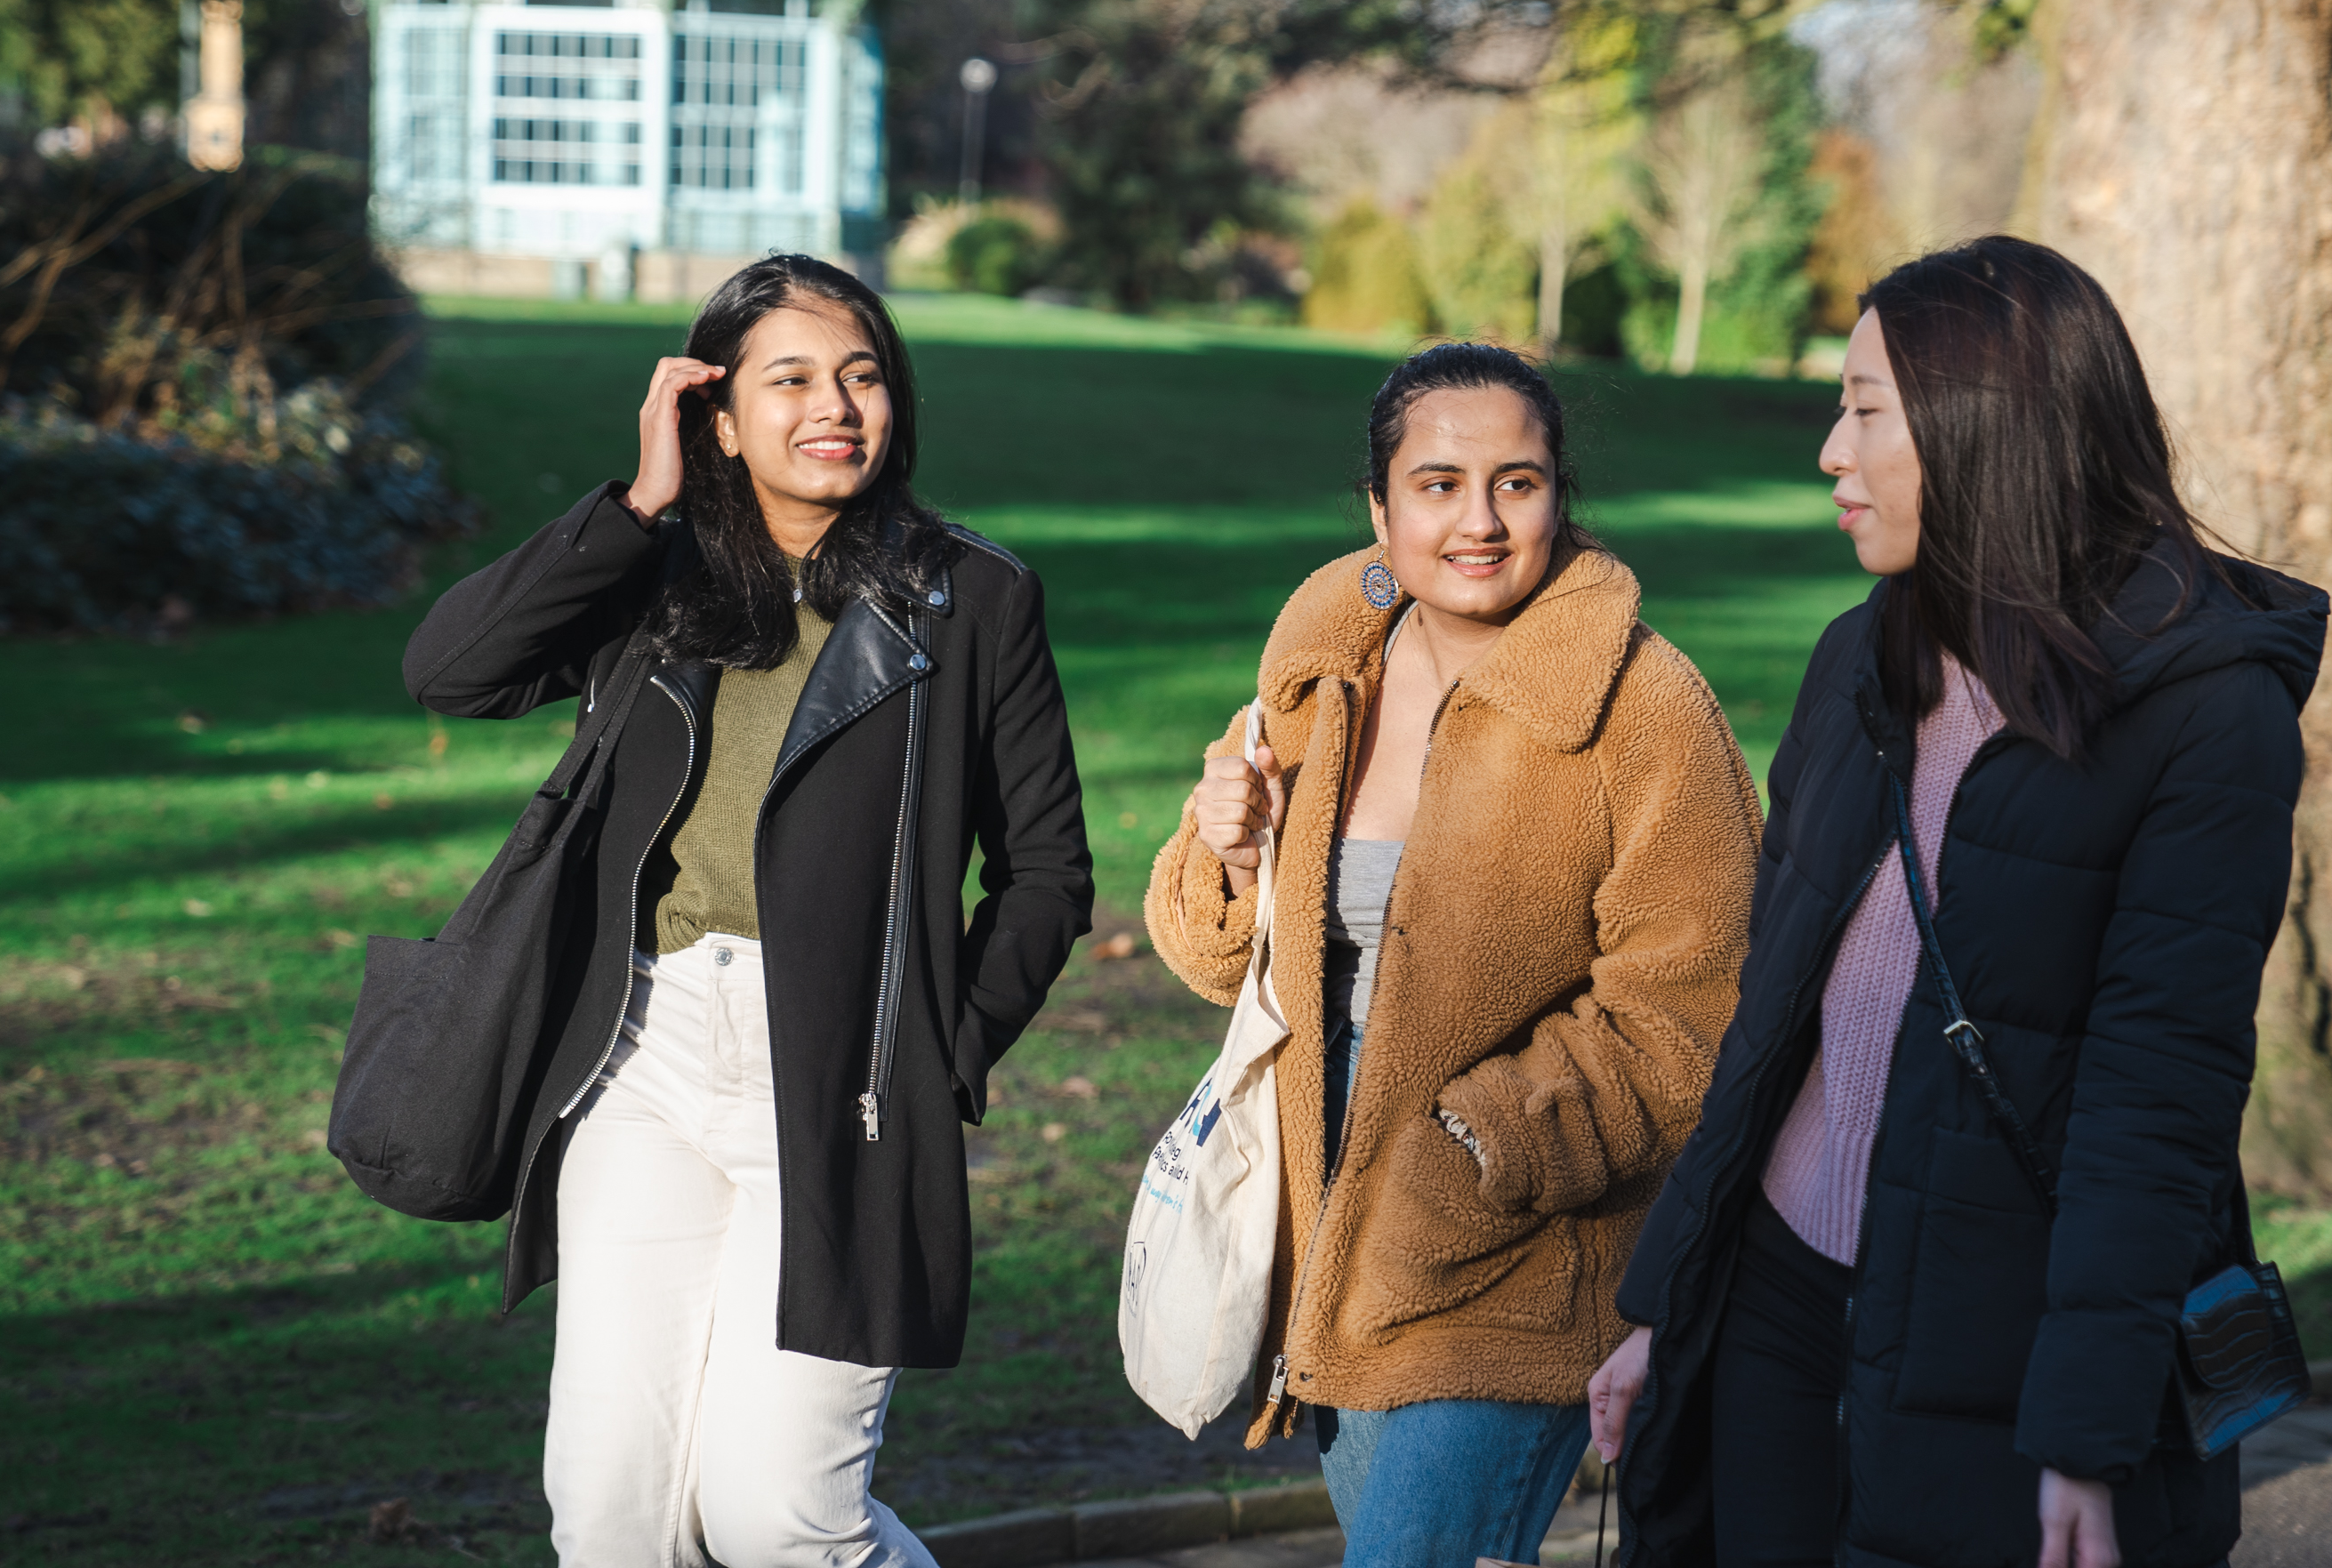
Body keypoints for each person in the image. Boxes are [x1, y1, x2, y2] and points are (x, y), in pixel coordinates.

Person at [1588, 236, 2329, 1568]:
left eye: (1866, 409)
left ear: (1987, 427)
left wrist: (2087, 1433)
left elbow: (2155, 1102)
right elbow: (1769, 1024)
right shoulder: (1859, 654)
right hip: (1772, 1306)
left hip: (1991, 1351)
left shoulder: (2209, 718)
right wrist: (1668, 1310)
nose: (1830, 449)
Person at [401, 254, 1092, 1567]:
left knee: (781, 1518)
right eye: (790, 379)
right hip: (642, 1063)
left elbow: (1047, 871)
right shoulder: (648, 580)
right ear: (718, 416)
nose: (836, 405)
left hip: (840, 1084)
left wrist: (942, 1044)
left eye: (862, 375)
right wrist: (634, 504)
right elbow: (449, 671)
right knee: (610, 1521)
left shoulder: (970, 598)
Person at [1144, 343, 1763, 1567]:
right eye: (1438, 485)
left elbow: (1688, 1015)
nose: (1479, 521)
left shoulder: (1650, 708)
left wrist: (1471, 1150)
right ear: (1381, 508)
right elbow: (1214, 957)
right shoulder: (1325, 676)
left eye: (1517, 483)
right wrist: (1226, 851)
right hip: (1330, 1239)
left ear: (1559, 496)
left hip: (1521, 1249)